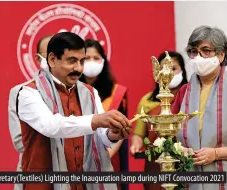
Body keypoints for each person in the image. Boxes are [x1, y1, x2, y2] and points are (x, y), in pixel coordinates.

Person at [14, 32, 132, 190]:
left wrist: (112, 135)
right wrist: (95, 120)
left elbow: (99, 137)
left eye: (81, 61)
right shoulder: (28, 93)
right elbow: (52, 126)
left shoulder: (90, 92)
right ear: (52, 59)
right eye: (72, 61)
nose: (78, 68)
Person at [171, 26, 227, 190]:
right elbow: (169, 134)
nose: (198, 57)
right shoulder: (184, 92)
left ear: (221, 55)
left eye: (206, 51)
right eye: (193, 51)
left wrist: (216, 154)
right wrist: (180, 150)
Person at [130, 51, 188, 190]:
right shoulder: (147, 101)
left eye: (173, 68)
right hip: (155, 163)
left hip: (184, 159)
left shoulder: (190, 97)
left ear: (183, 71)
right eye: (163, 69)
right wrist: (136, 144)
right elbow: (139, 133)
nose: (168, 73)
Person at [79, 39, 128, 190]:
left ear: (103, 61)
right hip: (78, 158)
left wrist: (105, 155)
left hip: (108, 156)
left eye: (96, 58)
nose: (91, 62)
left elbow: (120, 129)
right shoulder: (72, 90)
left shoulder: (117, 92)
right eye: (86, 58)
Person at [9, 35, 52, 190]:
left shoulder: (82, 92)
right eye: (49, 55)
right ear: (38, 58)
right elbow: (20, 142)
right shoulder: (20, 92)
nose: (55, 60)